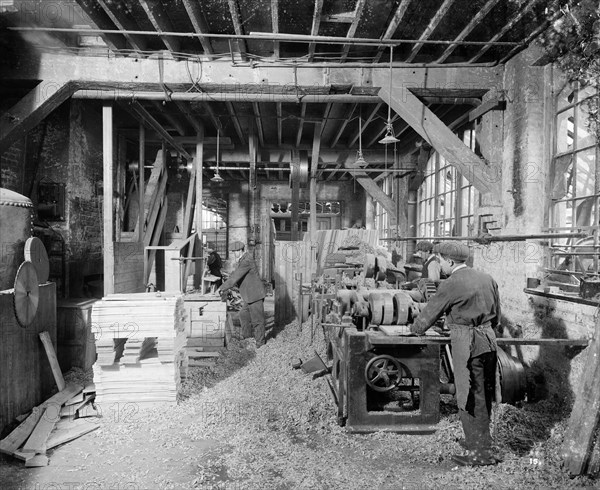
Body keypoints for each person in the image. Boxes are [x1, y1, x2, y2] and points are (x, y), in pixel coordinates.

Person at [409, 241, 500, 466]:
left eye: (440, 261)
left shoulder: (451, 283)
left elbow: (430, 313)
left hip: (467, 343)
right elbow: (497, 315)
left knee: (468, 395)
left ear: (449, 261)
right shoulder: (486, 278)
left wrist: (415, 329)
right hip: (488, 341)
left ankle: (481, 455)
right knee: (482, 395)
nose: (439, 265)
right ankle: (478, 443)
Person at [217, 241, 266, 347]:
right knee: (243, 315)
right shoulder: (243, 260)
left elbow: (235, 277)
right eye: (233, 252)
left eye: (235, 252)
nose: (234, 254)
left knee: (258, 320)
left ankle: (260, 344)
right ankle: (247, 339)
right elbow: (236, 274)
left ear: (241, 250)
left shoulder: (246, 260)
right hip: (249, 295)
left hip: (255, 294)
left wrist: (221, 288)